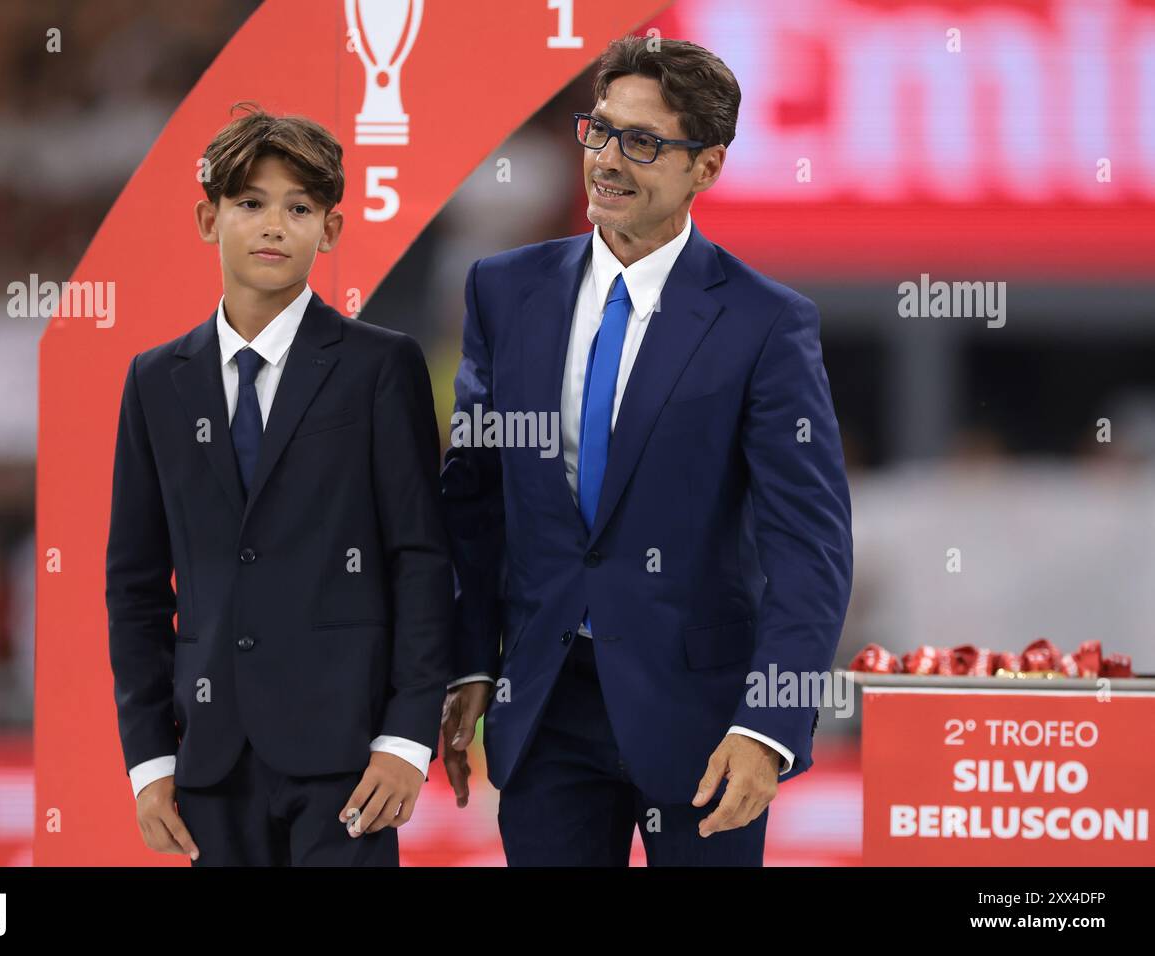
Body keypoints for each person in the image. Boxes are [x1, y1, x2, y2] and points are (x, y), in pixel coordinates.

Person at [439, 36, 853, 866]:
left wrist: (768, 727)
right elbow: (474, 501)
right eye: (600, 131)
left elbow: (809, 548)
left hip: (706, 724)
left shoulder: (765, 323)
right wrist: (465, 665)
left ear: (706, 167)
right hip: (545, 709)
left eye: (644, 142)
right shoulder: (503, 290)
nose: (609, 160)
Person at [106, 103, 452, 866]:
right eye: (250, 203)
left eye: (299, 208)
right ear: (208, 218)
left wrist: (405, 736)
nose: (274, 225)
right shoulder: (156, 380)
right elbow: (135, 585)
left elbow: (421, 560)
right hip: (208, 761)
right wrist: (150, 760)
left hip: (349, 757)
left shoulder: (380, 366)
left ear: (329, 229)